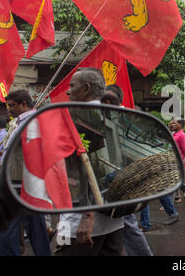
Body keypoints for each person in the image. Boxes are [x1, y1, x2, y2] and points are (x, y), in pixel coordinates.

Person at [55, 68, 126, 256]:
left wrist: (88, 215)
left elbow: (89, 167)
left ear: (86, 88)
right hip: (113, 217)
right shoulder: (116, 114)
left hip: (79, 222)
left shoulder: (79, 116)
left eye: (72, 86)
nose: (68, 91)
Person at [0, 90, 51, 256]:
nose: (8, 109)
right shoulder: (21, 122)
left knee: (8, 226)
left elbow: (31, 154)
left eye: (12, 105)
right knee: (36, 228)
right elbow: (15, 152)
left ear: (23, 104)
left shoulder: (32, 122)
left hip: (19, 182)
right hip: (21, 181)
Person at [101, 84, 153, 256]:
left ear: (108, 100)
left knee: (127, 225)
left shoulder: (125, 119)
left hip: (120, 181)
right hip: (112, 181)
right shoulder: (109, 117)